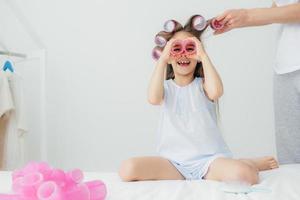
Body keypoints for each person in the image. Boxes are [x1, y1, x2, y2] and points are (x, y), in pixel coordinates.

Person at [118, 15, 278, 185]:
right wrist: (164, 58)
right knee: (127, 169)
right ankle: (219, 169)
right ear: (169, 56)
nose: (183, 54)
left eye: (190, 48)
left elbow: (216, 92)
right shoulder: (165, 88)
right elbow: (153, 98)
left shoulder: (203, 85)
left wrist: (202, 54)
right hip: (173, 164)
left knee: (246, 175)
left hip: (209, 162)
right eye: (176, 48)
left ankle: (248, 162)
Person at [215, 1, 300, 164]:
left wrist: (247, 16)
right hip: (286, 68)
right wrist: (236, 21)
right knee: (291, 161)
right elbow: (282, 10)